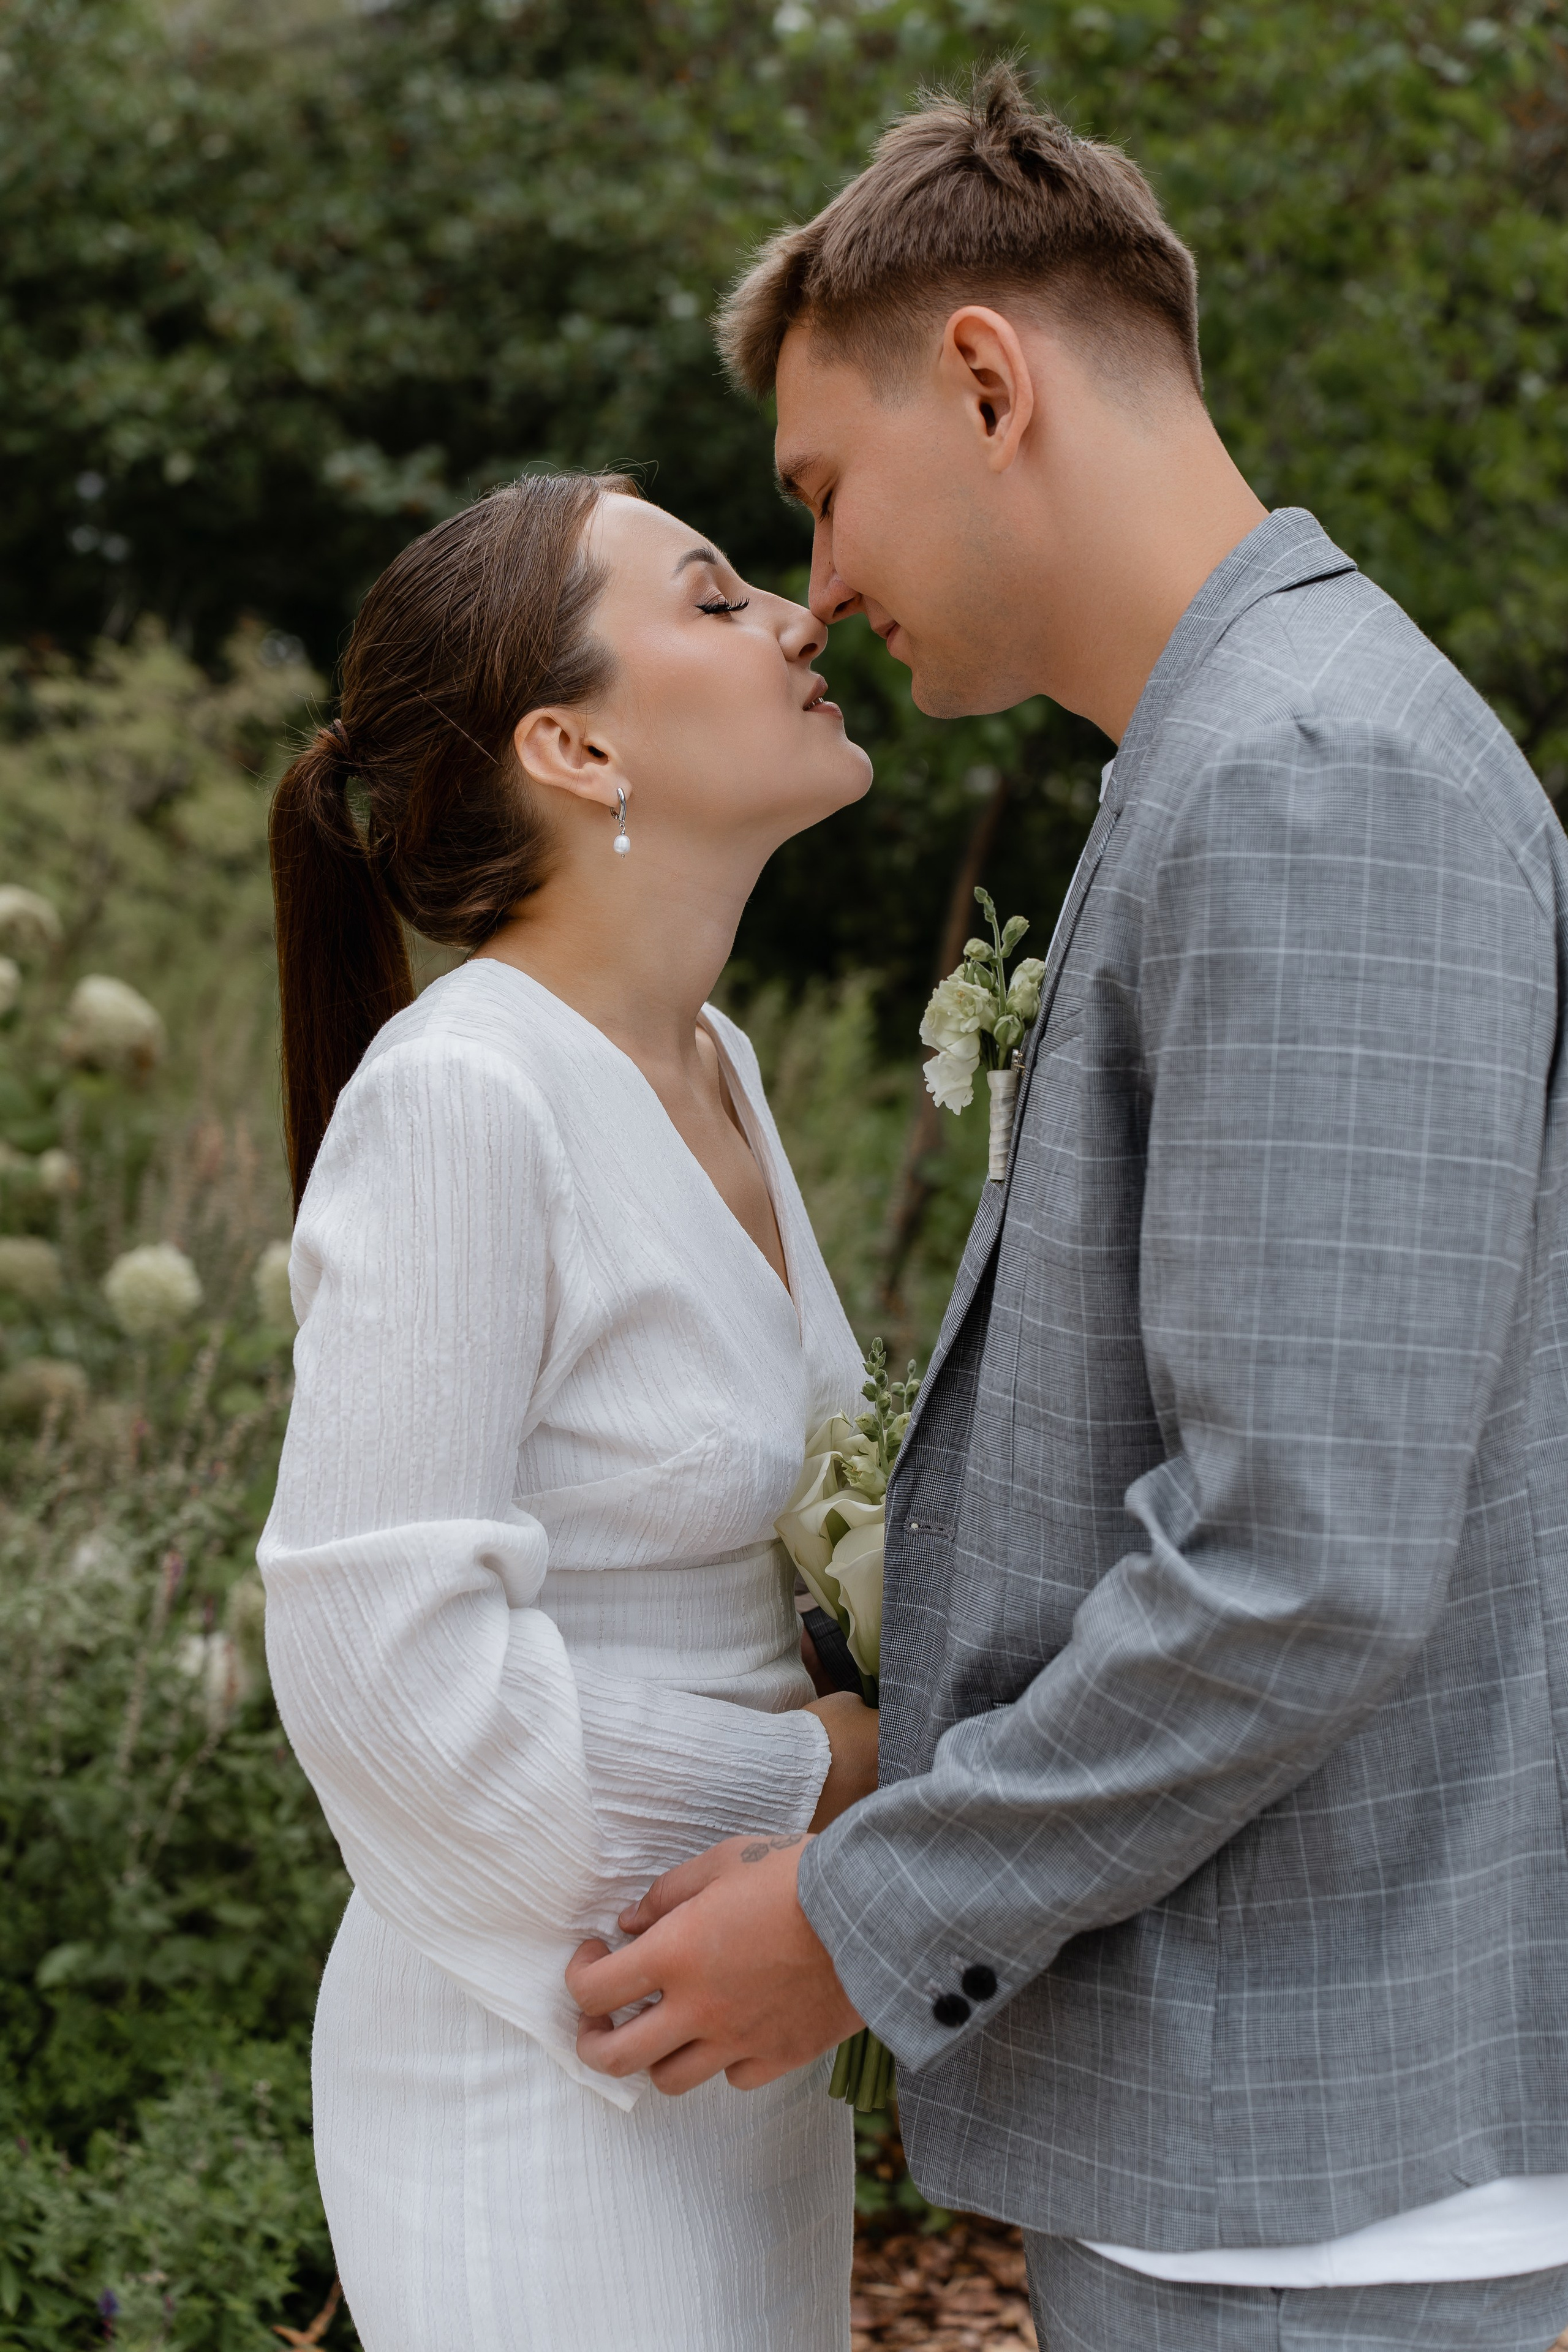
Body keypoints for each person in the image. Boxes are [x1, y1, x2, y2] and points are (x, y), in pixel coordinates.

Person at [567, 69, 1568, 2352]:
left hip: (1310, 2169)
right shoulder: (1244, 751)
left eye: (820, 494)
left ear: (988, 379)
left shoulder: (1313, 779)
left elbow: (1299, 1560)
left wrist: (855, 1915)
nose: (821, 589)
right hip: (1255, 2137)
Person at [257, 471, 881, 2350]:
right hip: (543, 2046)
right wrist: (827, 1786)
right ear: (574, 743)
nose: (798, 618)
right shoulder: (465, 1094)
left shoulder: (719, 1064)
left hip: (737, 2027)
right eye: (714, 598)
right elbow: (381, 1668)